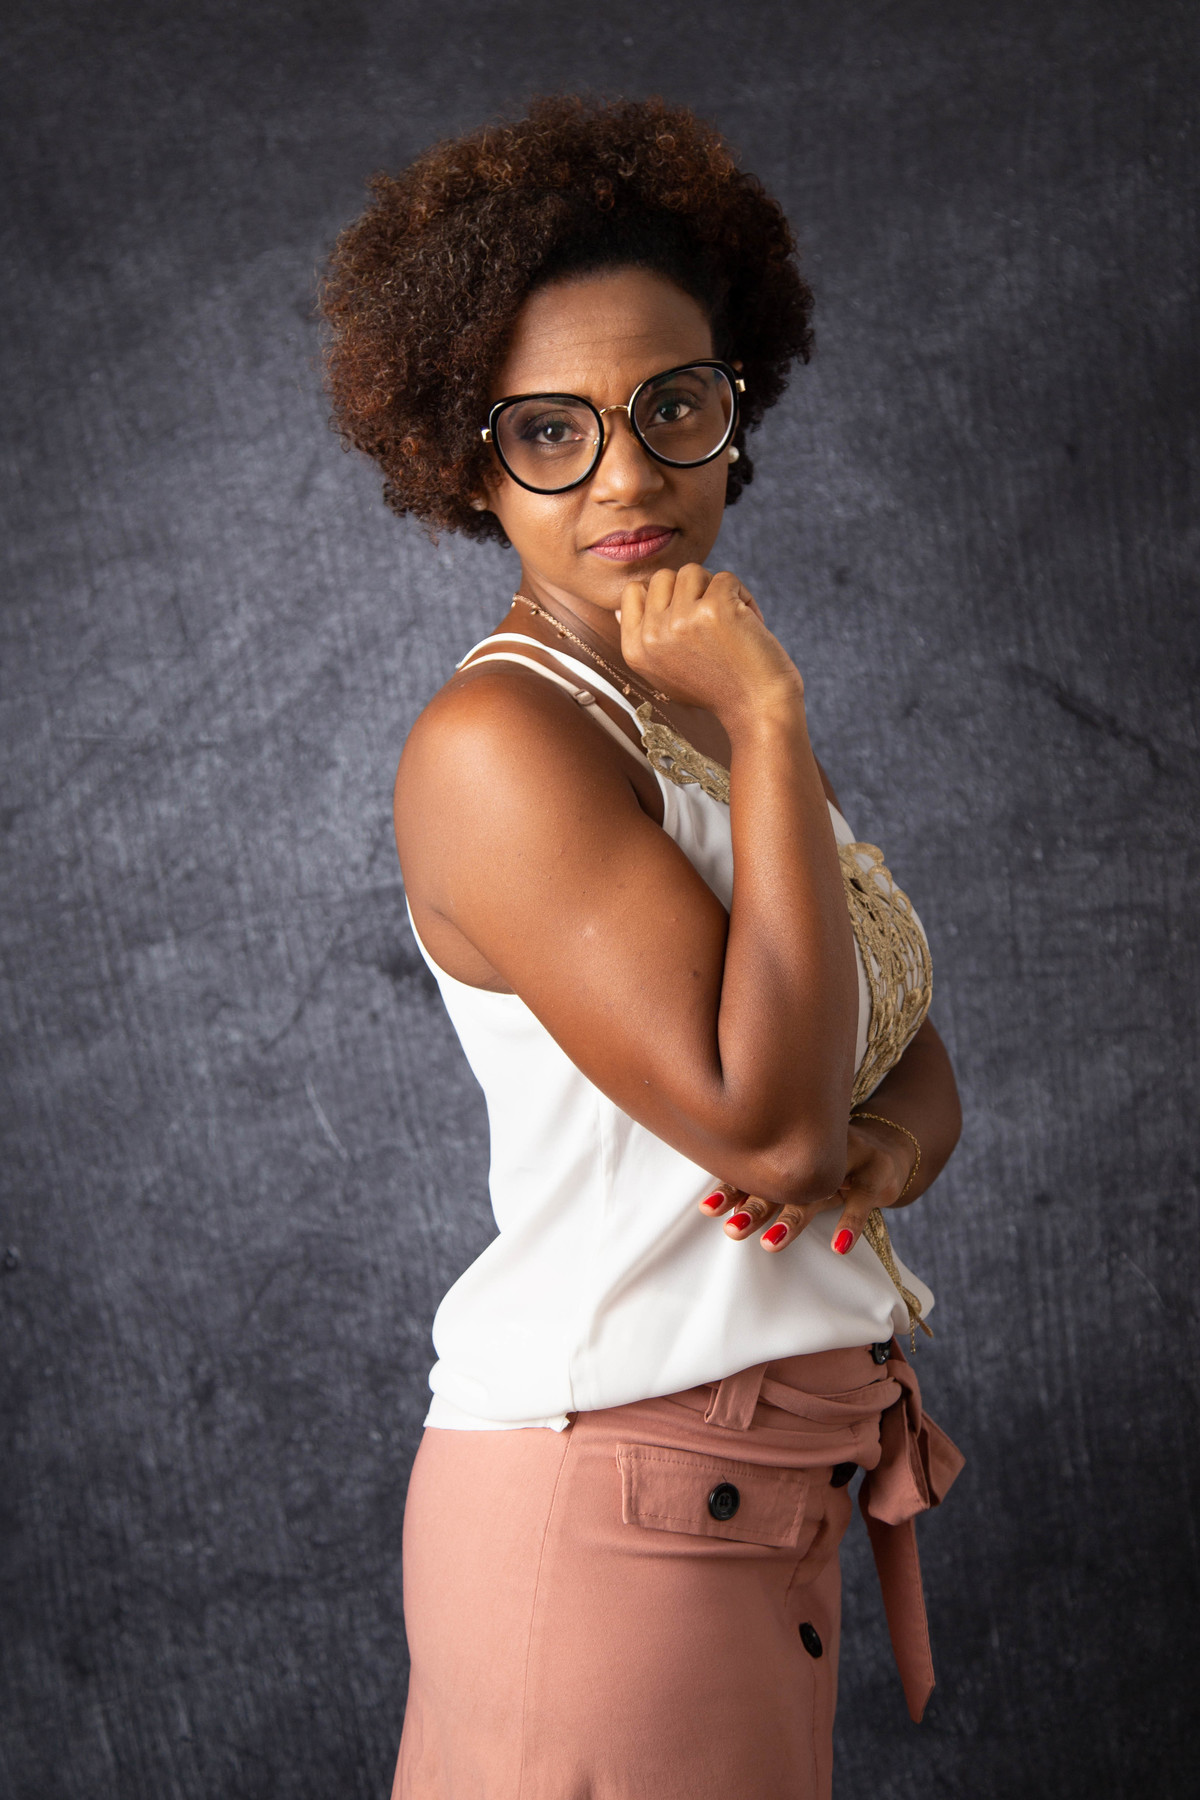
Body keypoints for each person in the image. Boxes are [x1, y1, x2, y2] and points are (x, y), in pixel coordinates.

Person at [320, 95, 964, 1800]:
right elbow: (774, 1131)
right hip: (615, 1508)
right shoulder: (503, 744)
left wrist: (888, 1154)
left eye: (671, 405)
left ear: (731, 413)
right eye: (550, 430)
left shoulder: (689, 698)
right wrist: (772, 720)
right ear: (468, 462)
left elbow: (898, 1048)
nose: (626, 473)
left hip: (745, 1501)